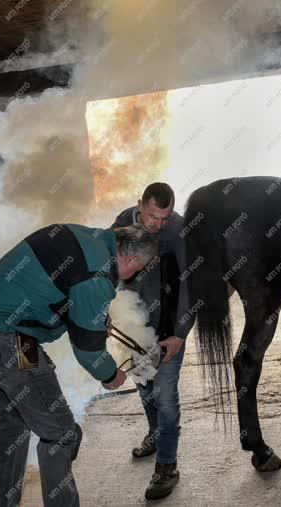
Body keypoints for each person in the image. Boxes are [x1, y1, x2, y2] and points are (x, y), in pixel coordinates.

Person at [0, 224, 158, 507]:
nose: (133, 275)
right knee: (61, 432)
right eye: (138, 269)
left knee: (13, 424)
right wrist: (111, 374)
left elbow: (61, 292)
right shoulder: (96, 276)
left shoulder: (89, 238)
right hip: (5, 339)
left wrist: (93, 320)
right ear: (132, 259)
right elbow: (88, 352)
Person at [112, 182, 194, 500]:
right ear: (140, 205)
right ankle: (155, 435)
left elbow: (193, 284)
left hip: (169, 328)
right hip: (134, 324)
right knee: (145, 387)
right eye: (153, 217)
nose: (159, 225)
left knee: (167, 397)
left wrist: (180, 334)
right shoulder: (120, 222)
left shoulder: (179, 230)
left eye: (165, 217)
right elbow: (112, 272)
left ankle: (167, 465)